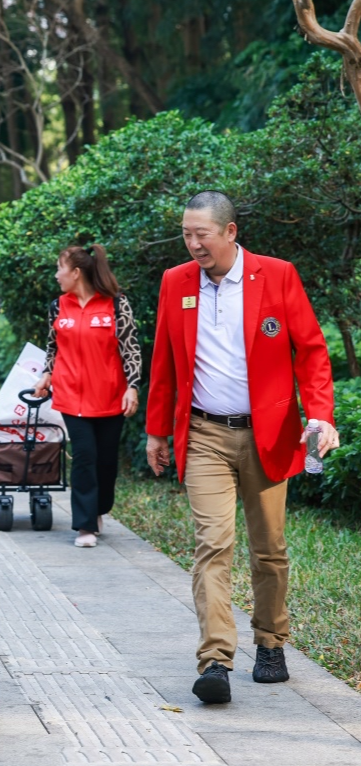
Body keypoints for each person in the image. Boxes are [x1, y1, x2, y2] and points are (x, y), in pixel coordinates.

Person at [146, 191, 338, 705]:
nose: (192, 244)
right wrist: (157, 430)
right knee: (213, 544)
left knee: (268, 548)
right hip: (205, 434)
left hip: (267, 433)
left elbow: (312, 350)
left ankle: (271, 641)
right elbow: (164, 359)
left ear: (230, 232)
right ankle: (215, 659)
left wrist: (319, 414)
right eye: (186, 234)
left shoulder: (276, 275)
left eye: (201, 234)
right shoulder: (175, 282)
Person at [32, 244, 141, 548]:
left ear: (76, 272)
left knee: (106, 462)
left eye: (59, 268)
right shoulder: (58, 306)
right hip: (71, 396)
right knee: (84, 457)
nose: (56, 275)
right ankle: (85, 525)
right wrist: (46, 374)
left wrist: (132, 386)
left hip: (110, 396)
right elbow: (53, 347)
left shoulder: (116, 304)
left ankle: (99, 508)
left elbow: (130, 348)